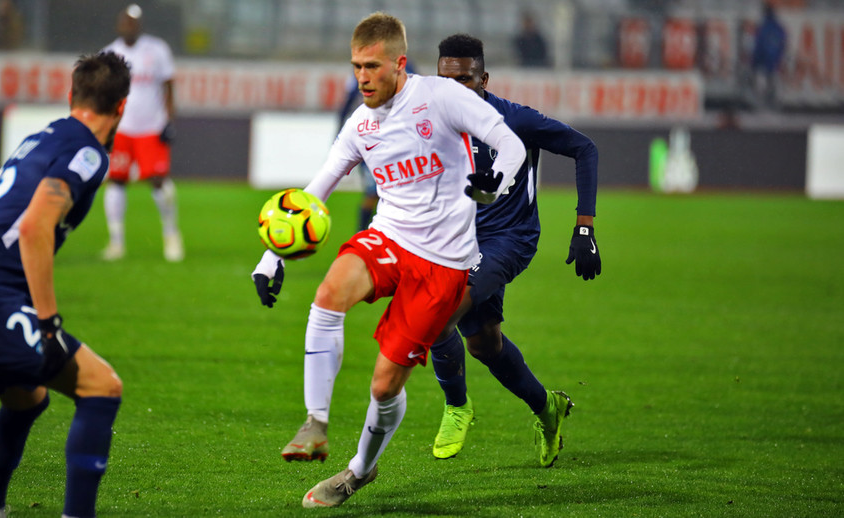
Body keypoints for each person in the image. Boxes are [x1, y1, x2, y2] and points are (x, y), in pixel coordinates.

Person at [251, 12, 526, 508]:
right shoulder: (360, 123)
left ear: (399, 64)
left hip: (444, 266)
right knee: (329, 292)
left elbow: (509, 142)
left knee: (384, 385)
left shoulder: (442, 98)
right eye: (356, 66)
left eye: (372, 66)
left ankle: (359, 469)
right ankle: (315, 422)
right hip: (390, 239)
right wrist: (273, 255)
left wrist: (495, 182)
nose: (362, 77)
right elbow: (316, 191)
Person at [0, 51, 130, 518]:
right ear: (122, 107)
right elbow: (35, 227)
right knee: (102, 387)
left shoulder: (39, 138)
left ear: (70, 96)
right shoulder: (89, 152)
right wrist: (49, 324)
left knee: (26, 399)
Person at [428, 33, 600, 465]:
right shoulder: (431, 122)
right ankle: (548, 407)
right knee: (484, 344)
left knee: (438, 314)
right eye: (446, 79)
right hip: (457, 241)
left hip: (509, 239)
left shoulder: (514, 121)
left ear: (484, 78)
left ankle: (456, 405)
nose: (454, 89)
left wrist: (584, 227)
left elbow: (584, 148)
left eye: (464, 80)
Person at [100, 3, 183, 262]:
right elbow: (103, 95)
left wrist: (169, 120)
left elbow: (169, 86)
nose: (129, 26)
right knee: (116, 180)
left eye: (133, 22)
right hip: (123, 129)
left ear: (140, 25)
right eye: (125, 22)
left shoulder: (156, 50)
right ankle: (116, 242)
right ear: (118, 25)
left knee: (159, 181)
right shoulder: (109, 54)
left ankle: (171, 235)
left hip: (151, 127)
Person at [336, 59, 415, 232]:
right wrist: (340, 133)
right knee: (373, 192)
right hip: (371, 140)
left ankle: (387, 234)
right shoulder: (363, 72)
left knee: (394, 193)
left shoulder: (408, 68)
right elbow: (347, 104)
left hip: (398, 141)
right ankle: (361, 235)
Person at [751, 1, 785, 108]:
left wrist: (755, 62)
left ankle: (762, 106)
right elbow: (782, 45)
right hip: (774, 63)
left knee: (762, 87)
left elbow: (758, 46)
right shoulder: (779, 28)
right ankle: (773, 104)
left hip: (763, 63)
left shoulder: (763, 28)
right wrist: (778, 59)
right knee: (773, 85)